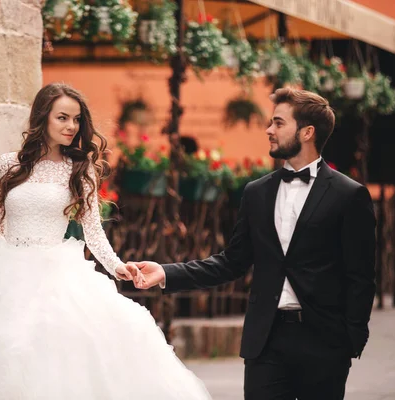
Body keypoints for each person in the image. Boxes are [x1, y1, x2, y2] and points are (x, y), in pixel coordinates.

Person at [0, 83, 211, 400]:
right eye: (62, 118)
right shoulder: (9, 165)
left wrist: (117, 266)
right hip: (5, 274)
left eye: (76, 120)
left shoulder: (80, 169)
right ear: (43, 118)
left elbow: (93, 229)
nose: (71, 126)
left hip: (57, 272)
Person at [134, 88, 376, 400]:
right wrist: (166, 272)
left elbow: (361, 276)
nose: (269, 131)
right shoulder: (256, 193)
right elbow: (231, 262)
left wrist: (351, 338)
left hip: (324, 342)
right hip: (266, 340)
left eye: (278, 123)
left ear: (307, 132)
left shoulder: (349, 195)